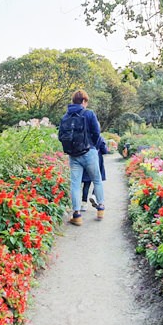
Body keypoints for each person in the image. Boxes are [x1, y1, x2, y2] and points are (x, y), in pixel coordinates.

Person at [59, 89, 105, 226]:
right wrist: (95, 147)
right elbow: (97, 133)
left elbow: (60, 136)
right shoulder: (89, 114)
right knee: (97, 180)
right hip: (89, 152)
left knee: (75, 184)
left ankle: (77, 215)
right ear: (84, 101)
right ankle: (100, 208)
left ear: (73, 101)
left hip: (73, 155)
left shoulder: (65, 117)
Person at [81, 135, 108, 208]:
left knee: (86, 183)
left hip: (86, 160)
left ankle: (84, 204)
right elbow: (105, 151)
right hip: (97, 161)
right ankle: (94, 195)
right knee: (98, 181)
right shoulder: (99, 137)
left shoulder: (84, 137)